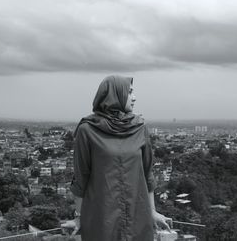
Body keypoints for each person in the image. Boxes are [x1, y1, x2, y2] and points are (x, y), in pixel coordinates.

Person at [68, 75, 171, 240]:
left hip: (138, 216)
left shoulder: (140, 127)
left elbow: (148, 175)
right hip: (101, 218)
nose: (134, 98)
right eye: (130, 92)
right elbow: (81, 178)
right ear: (115, 95)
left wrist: (152, 212)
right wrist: (79, 217)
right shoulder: (87, 130)